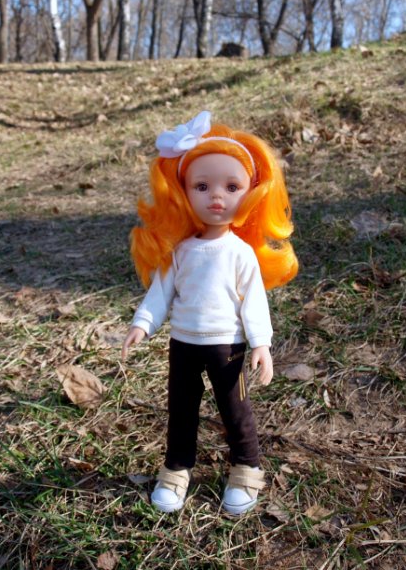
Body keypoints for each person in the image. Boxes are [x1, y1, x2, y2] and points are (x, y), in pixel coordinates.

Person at [121, 111, 298, 515]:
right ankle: (176, 469)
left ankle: (246, 467)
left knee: (235, 410)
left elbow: (254, 301)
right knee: (181, 410)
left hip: (228, 347)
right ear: (182, 192)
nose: (216, 196)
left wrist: (262, 344)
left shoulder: (240, 253)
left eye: (232, 187)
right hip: (183, 344)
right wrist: (142, 324)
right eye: (201, 186)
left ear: (251, 193)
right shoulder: (181, 251)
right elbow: (160, 292)